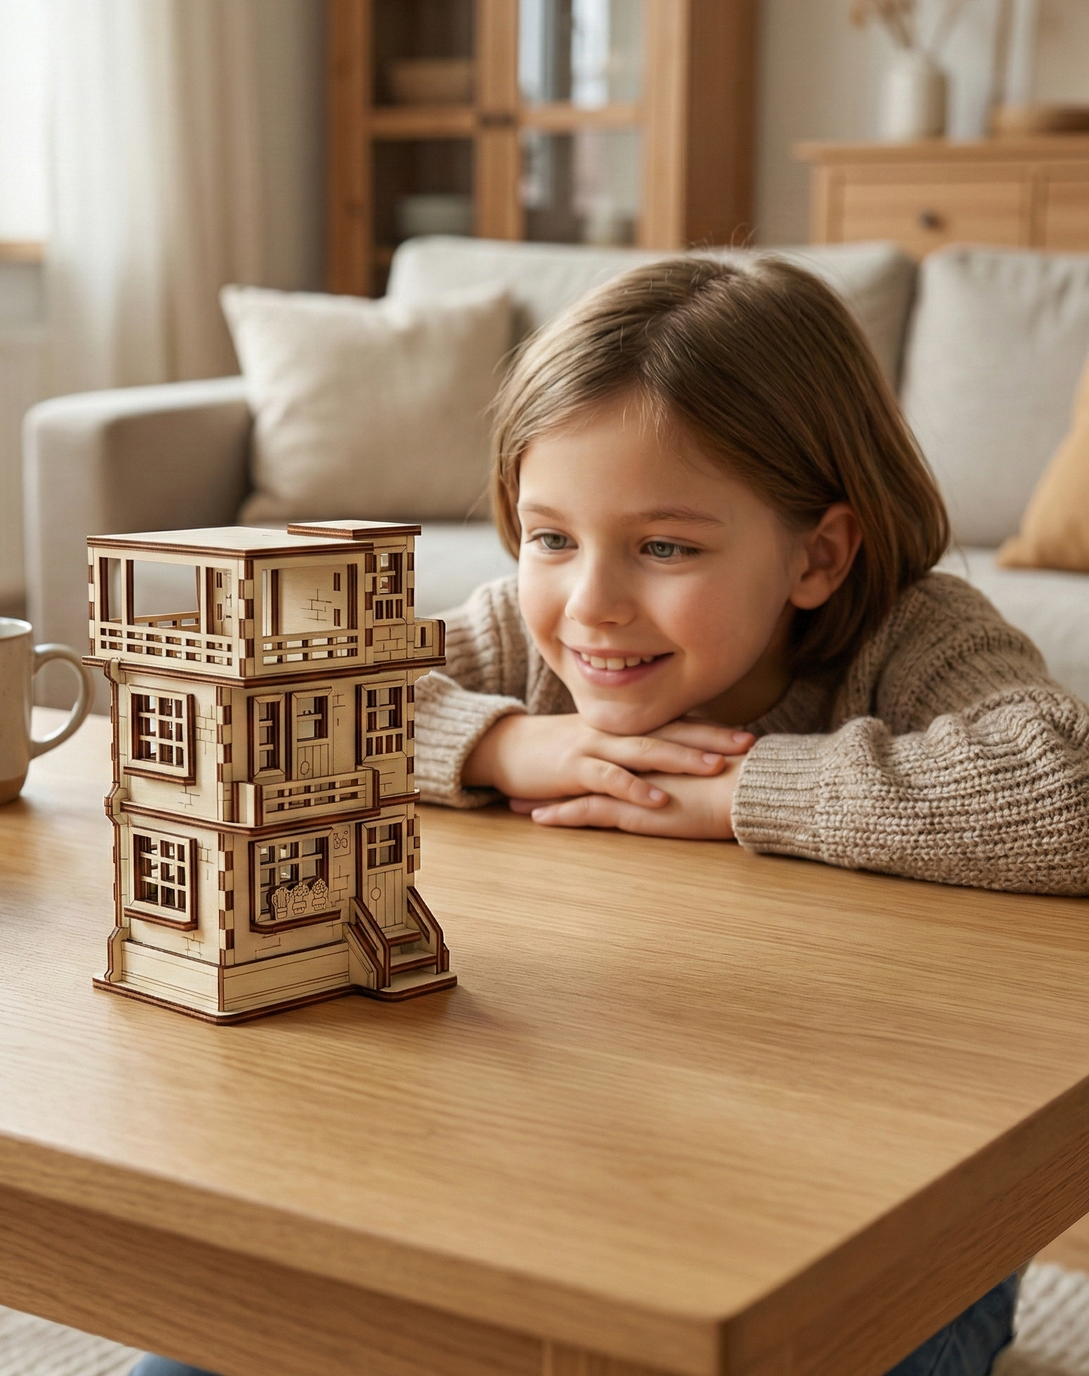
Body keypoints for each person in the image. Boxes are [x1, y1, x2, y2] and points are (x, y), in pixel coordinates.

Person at [413, 254, 1089, 1376]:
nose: (588, 604)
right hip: (603, 1164)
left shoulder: (909, 636)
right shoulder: (513, 649)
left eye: (664, 545)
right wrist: (499, 742)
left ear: (816, 555)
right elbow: (260, 700)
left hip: (896, 1228)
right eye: (549, 536)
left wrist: (740, 789)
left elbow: (1065, 791)